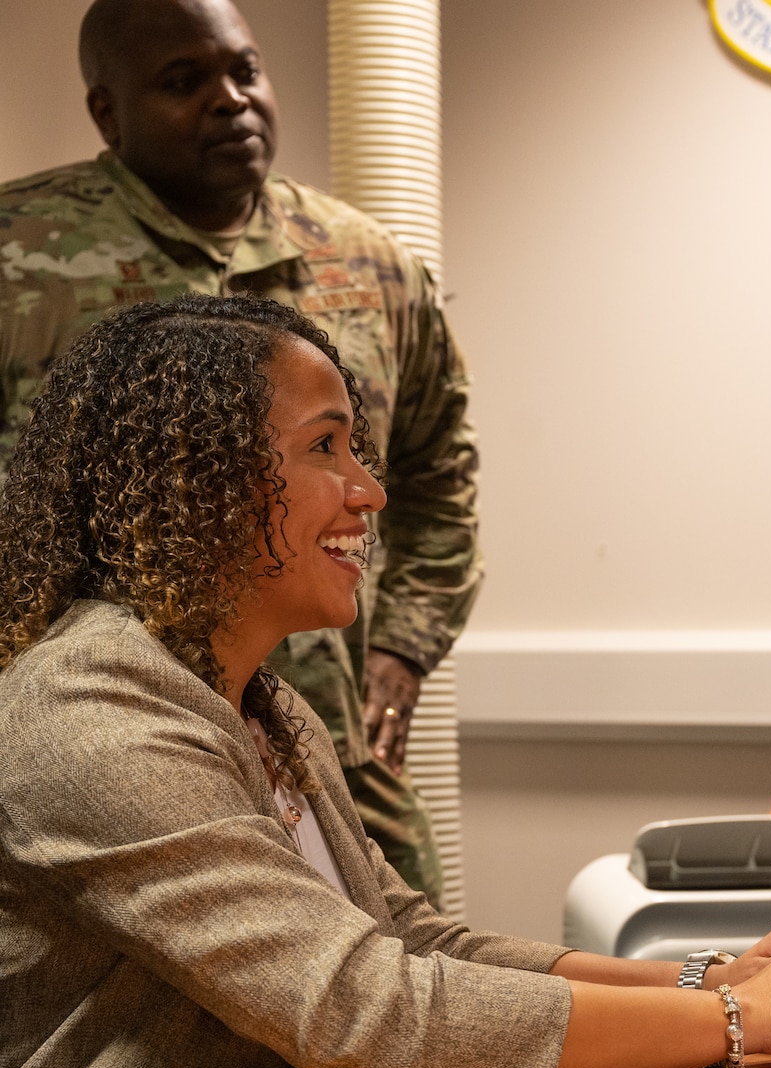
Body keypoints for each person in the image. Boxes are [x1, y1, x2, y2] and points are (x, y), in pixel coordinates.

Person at [0, 296, 771, 1068]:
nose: (369, 492)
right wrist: (743, 1019)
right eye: (326, 448)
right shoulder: (90, 709)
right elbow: (373, 1011)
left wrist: (707, 981)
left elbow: (414, 938)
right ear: (200, 478)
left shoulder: (268, 706)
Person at [0, 0, 469, 906]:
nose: (231, 101)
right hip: (116, 747)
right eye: (184, 82)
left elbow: (440, 471)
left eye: (245, 71)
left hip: (321, 741)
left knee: (418, 975)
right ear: (108, 110)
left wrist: (401, 652)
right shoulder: (20, 256)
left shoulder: (370, 263)